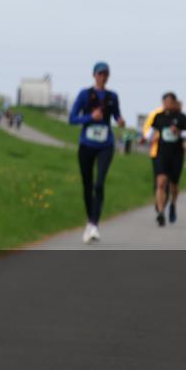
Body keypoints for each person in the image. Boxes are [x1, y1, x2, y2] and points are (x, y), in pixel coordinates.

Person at [68, 61, 126, 243]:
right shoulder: (84, 94)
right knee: (87, 184)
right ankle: (90, 221)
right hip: (86, 145)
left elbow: (116, 115)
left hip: (105, 146)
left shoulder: (112, 96)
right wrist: (90, 117)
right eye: (100, 74)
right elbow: (72, 119)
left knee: (99, 184)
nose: (103, 77)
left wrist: (120, 120)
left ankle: (94, 224)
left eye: (106, 74)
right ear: (94, 75)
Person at [146, 92, 186, 226]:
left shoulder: (181, 117)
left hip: (176, 155)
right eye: (164, 102)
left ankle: (172, 204)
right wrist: (146, 138)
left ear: (174, 102)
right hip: (161, 154)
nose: (166, 104)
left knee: (173, 185)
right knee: (161, 182)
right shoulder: (159, 116)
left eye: (169, 102)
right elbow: (151, 132)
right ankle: (161, 212)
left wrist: (179, 132)